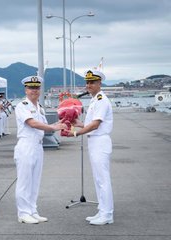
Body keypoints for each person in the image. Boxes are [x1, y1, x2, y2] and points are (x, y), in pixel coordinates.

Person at [14, 76, 66, 224]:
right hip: (26, 146)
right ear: (26, 89)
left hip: (37, 146)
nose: (34, 91)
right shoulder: (22, 105)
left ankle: (32, 210)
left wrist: (59, 123)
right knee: (24, 181)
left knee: (34, 181)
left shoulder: (39, 107)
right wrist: (53, 127)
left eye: (37, 88)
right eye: (31, 88)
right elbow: (32, 123)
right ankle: (23, 213)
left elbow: (43, 124)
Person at [67, 70, 114, 225]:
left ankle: (107, 214)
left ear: (100, 83)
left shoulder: (101, 100)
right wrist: (76, 123)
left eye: (92, 82)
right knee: (98, 179)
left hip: (100, 141)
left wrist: (76, 133)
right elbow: (89, 123)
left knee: (103, 180)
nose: (89, 85)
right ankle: (102, 211)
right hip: (94, 141)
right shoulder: (95, 100)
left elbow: (95, 125)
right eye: (87, 83)